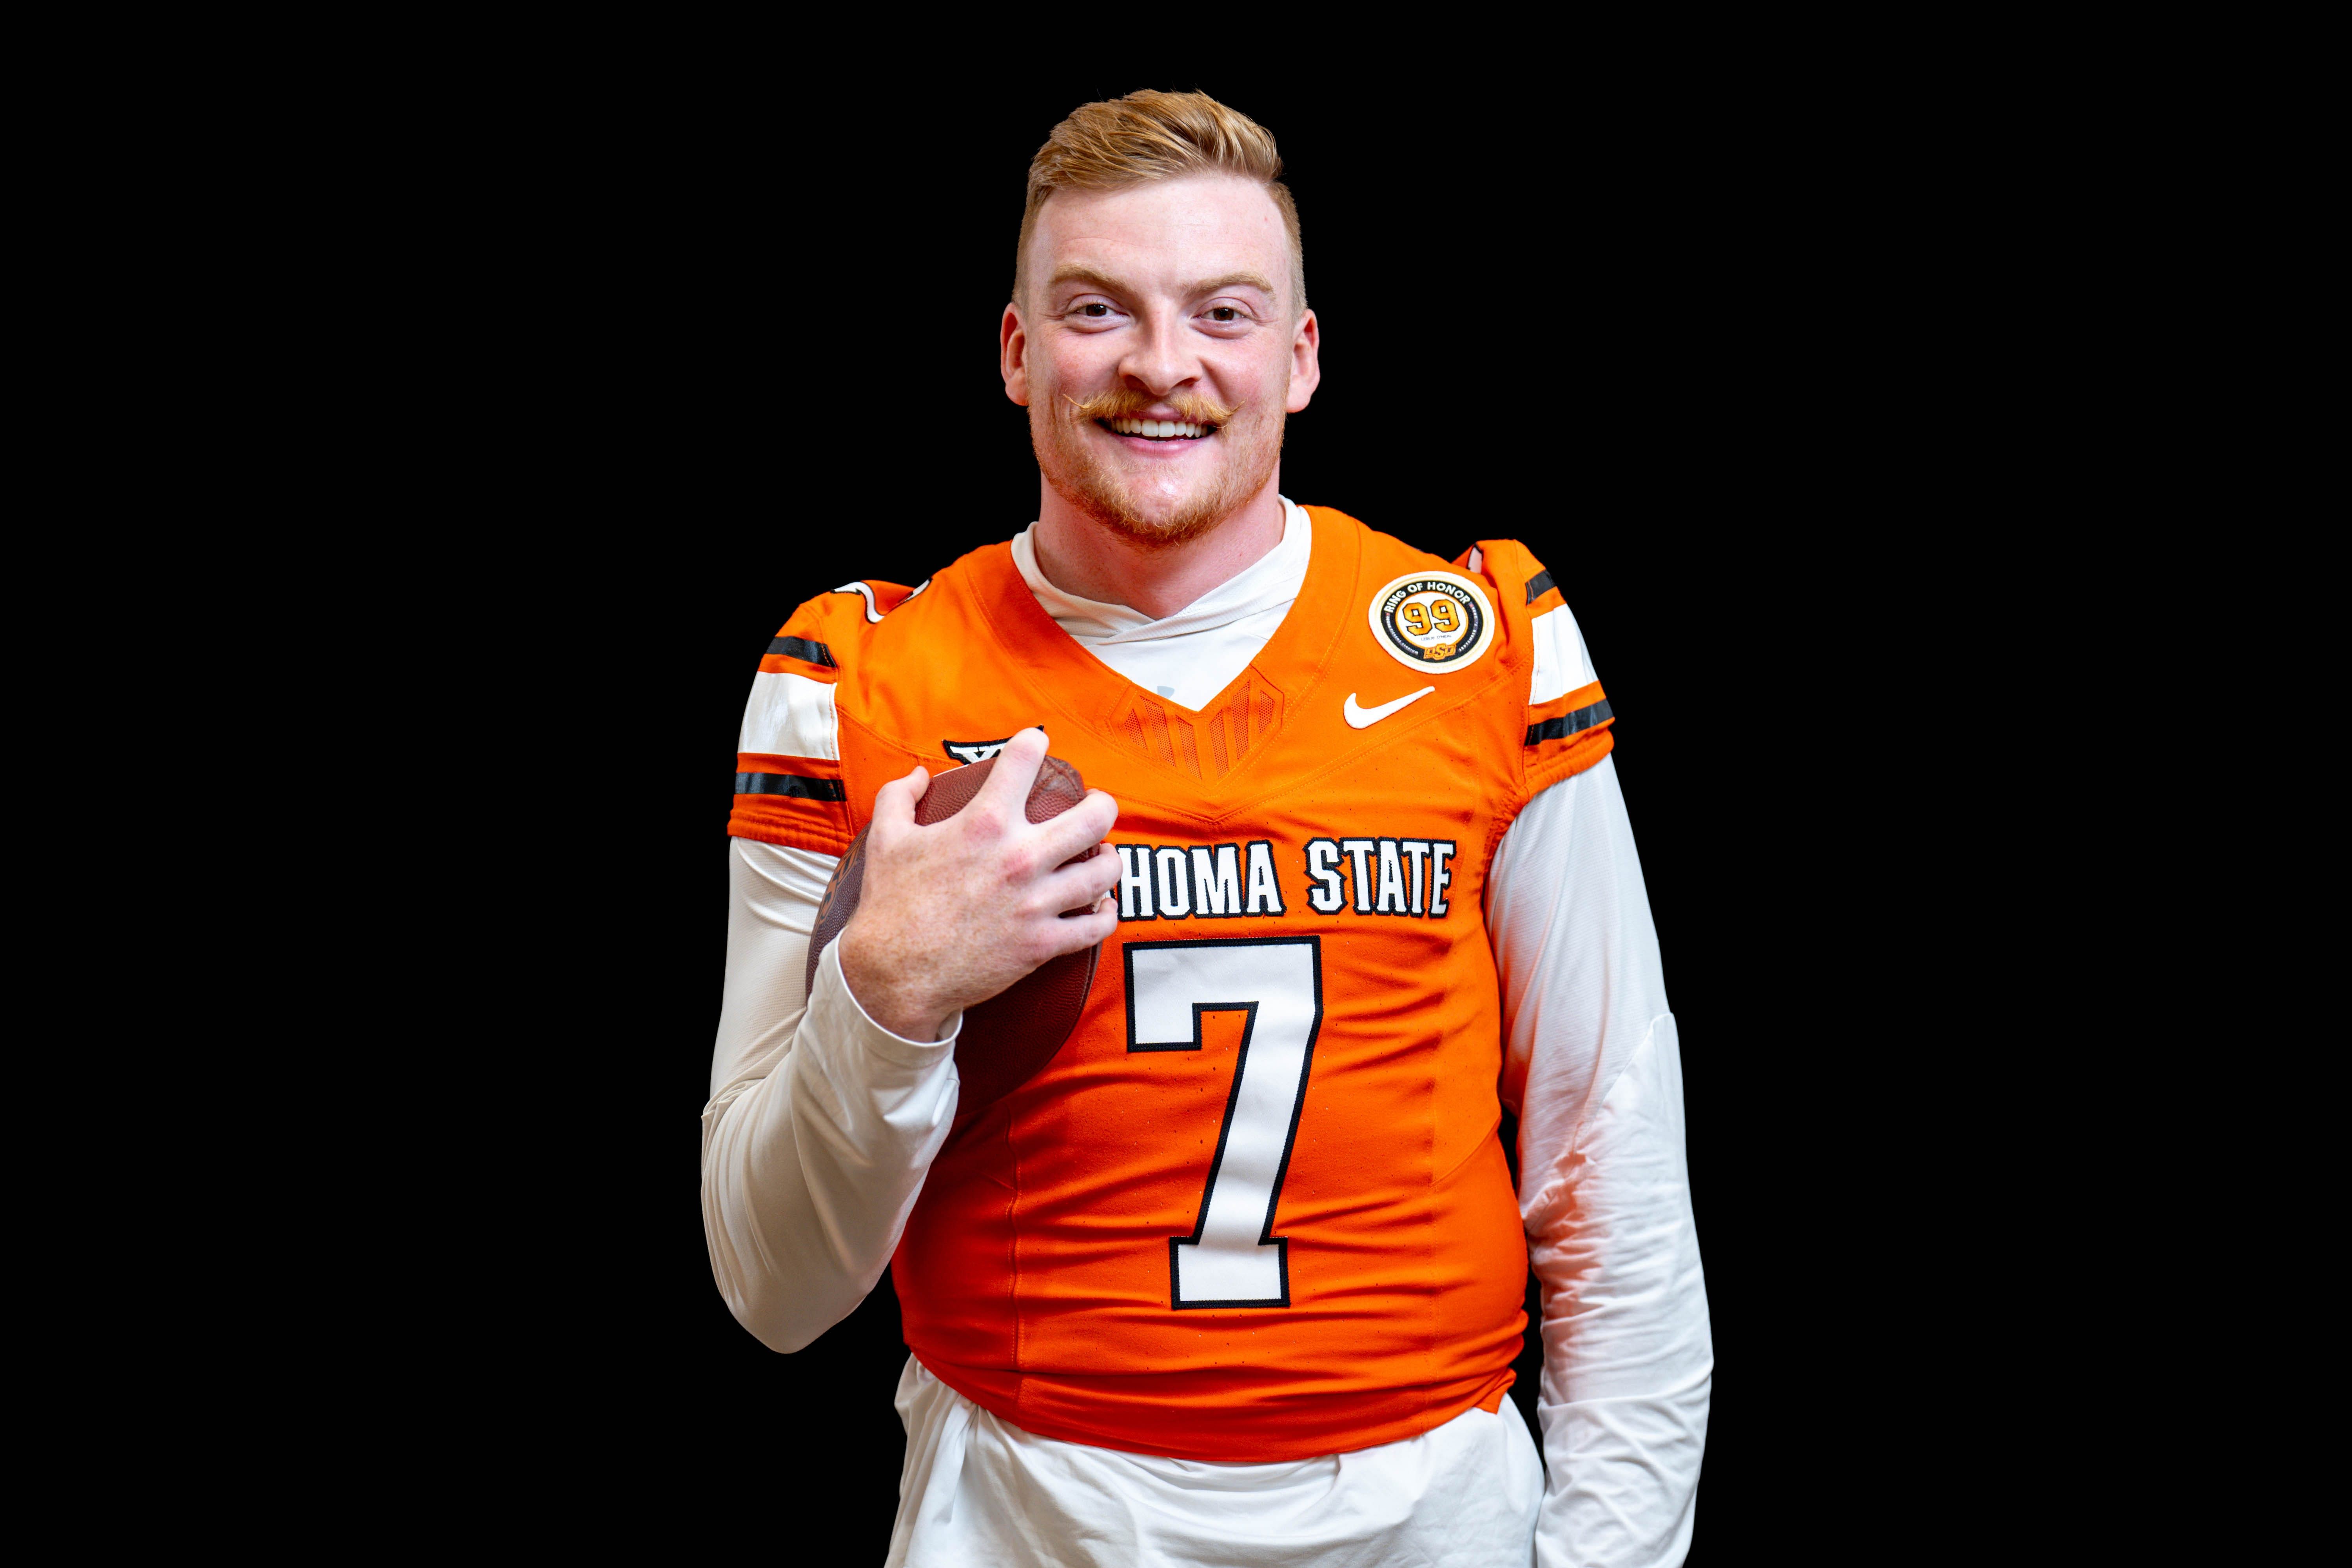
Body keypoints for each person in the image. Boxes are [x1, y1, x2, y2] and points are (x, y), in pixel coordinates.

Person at [701, 90, 1710, 1567]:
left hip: (1431, 1509)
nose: (1161, 365)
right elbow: (771, 1288)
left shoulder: (1480, 644)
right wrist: (885, 994)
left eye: (1223, 313)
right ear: (1016, 351)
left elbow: (1612, 1161)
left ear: (1300, 360)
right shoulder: (857, 679)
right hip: (1028, 1507)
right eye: (1097, 310)